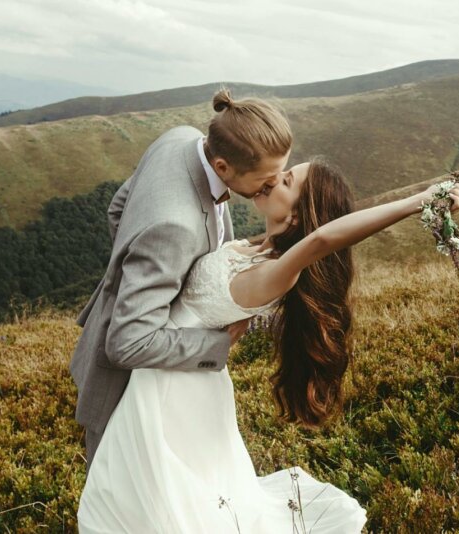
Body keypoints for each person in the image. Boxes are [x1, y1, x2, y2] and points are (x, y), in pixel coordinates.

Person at [76, 153, 459, 532]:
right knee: (161, 498)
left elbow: (322, 241)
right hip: (175, 377)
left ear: (300, 213)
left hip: (174, 389)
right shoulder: (259, 247)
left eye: (285, 180)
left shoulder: (279, 272)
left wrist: (419, 201)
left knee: (164, 502)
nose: (273, 180)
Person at [69, 88, 291, 472]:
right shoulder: (175, 227)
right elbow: (127, 342)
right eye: (265, 180)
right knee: (119, 495)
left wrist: (139, 273)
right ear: (223, 168)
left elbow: (117, 209)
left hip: (167, 380)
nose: (270, 189)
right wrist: (215, 342)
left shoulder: (181, 138)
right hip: (129, 387)